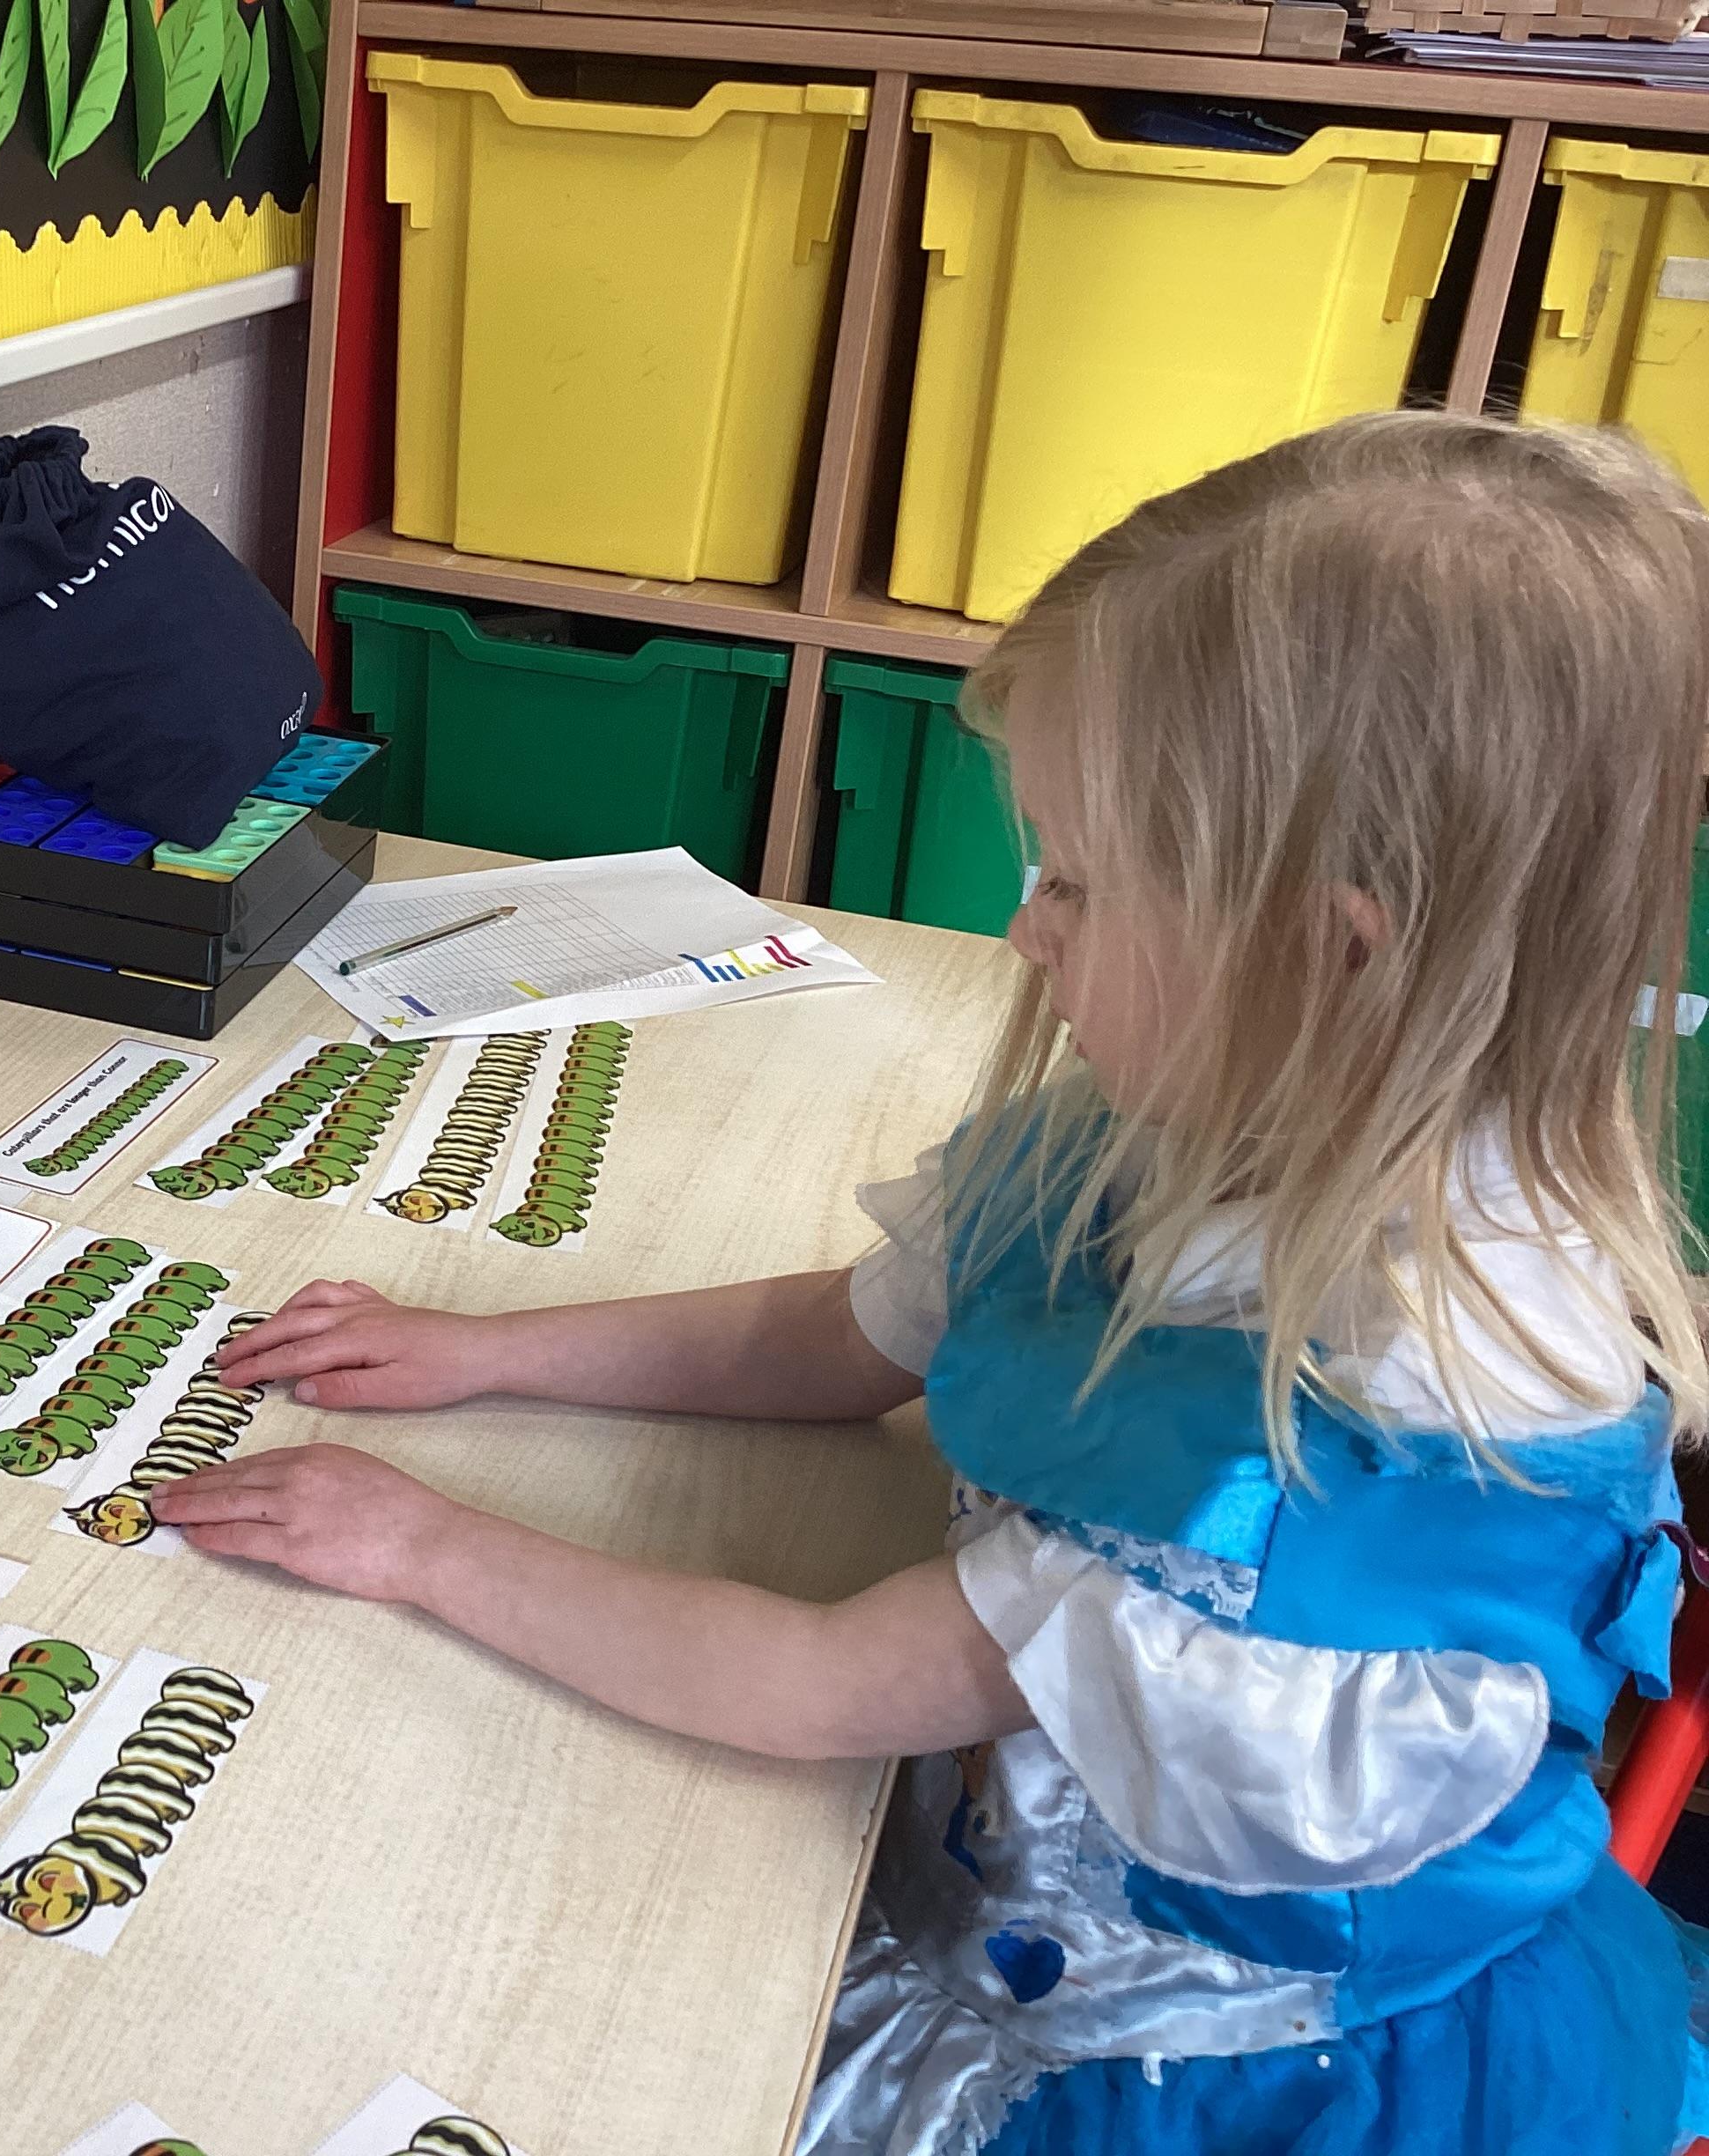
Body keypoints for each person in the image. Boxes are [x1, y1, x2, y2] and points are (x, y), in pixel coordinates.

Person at [159, 413, 1706, 2152]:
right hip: (1009, 1829)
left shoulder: (1302, 1471)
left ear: (1328, 955)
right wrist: (480, 1351)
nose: (1029, 931)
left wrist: (421, 1545)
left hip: (1231, 2066)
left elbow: (812, 1686)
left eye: (1077, 882)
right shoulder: (1213, 1117)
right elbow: (835, 1340)